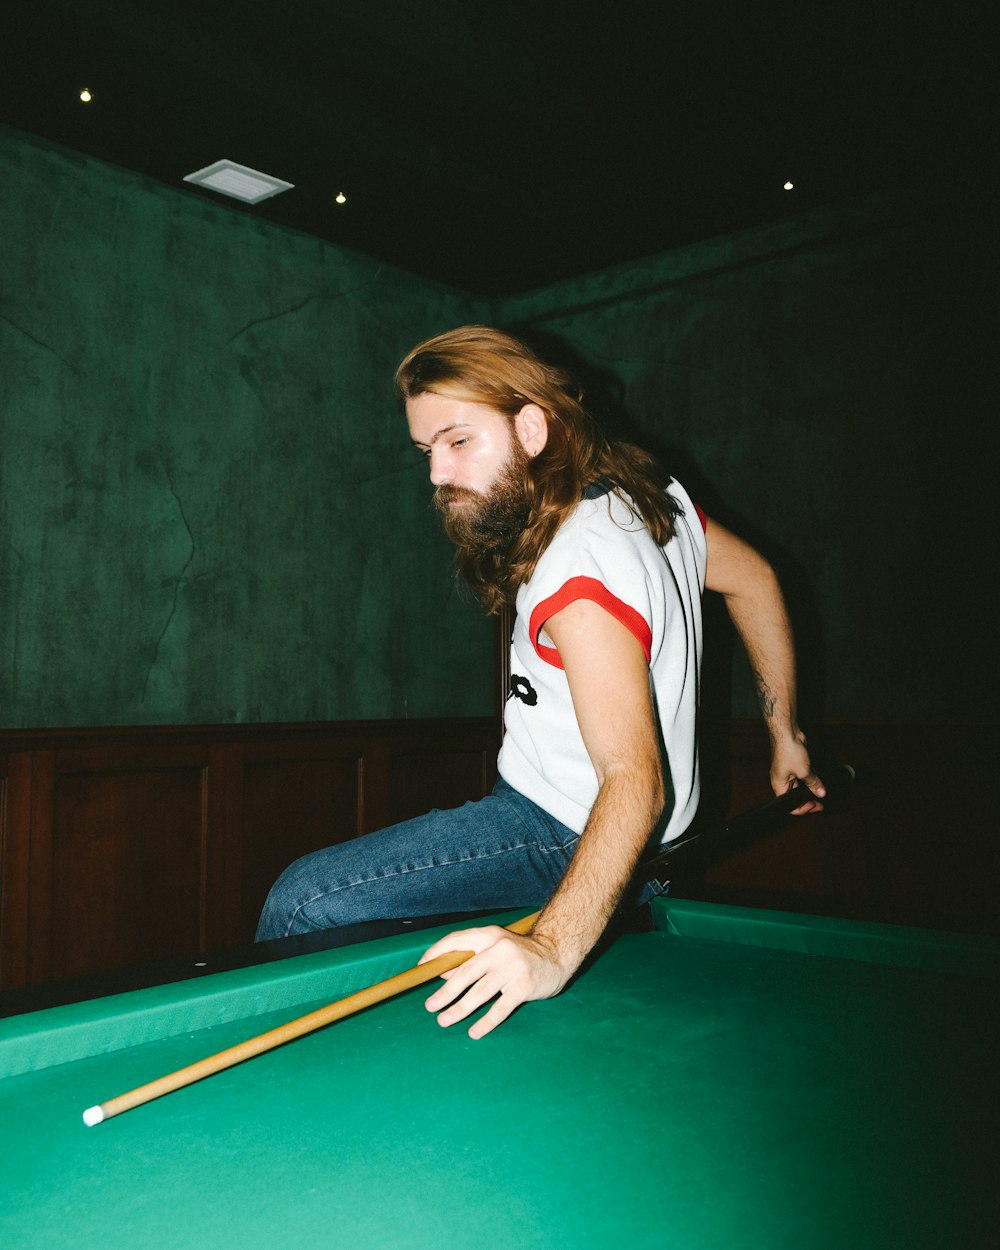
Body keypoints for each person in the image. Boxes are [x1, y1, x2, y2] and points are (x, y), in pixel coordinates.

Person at [256, 325, 824, 1037]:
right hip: (643, 841)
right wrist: (785, 734)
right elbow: (757, 581)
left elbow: (634, 781)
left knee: (304, 903)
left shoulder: (575, 575)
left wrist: (552, 947)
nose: (436, 474)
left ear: (531, 428)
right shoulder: (649, 498)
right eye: (427, 451)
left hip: (561, 828)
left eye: (459, 441)